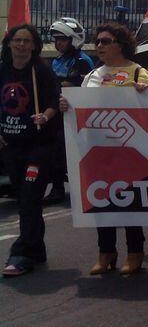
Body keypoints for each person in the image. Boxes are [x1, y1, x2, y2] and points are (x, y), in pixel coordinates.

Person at [59, 22, 148, 275]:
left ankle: (135, 251)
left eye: (105, 41)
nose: (99, 45)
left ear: (120, 45)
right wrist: (67, 107)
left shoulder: (139, 73)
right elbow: (81, 108)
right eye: (97, 41)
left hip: (130, 151)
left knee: (131, 203)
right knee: (101, 203)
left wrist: (147, 93)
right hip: (98, 150)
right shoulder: (91, 77)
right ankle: (106, 252)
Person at [1, 25, 61, 277]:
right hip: (10, 146)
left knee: (28, 198)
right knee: (27, 200)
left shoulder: (42, 72)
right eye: (17, 40)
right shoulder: (2, 71)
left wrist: (44, 117)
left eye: (27, 41)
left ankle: (21, 253)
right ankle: (36, 249)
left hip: (38, 146)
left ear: (34, 45)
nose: (22, 45)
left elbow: (54, 104)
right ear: (9, 44)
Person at [47, 16, 93, 203]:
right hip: (58, 114)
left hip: (75, 116)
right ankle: (57, 188)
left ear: (73, 39)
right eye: (56, 40)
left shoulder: (82, 60)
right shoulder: (58, 61)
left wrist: (59, 85)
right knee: (55, 152)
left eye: (62, 39)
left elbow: (73, 85)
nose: (58, 43)